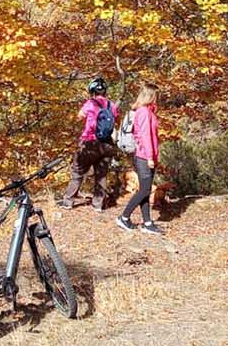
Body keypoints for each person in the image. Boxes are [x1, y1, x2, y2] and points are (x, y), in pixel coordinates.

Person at [58, 78, 119, 210]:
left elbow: (79, 116)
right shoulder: (112, 105)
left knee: (78, 172)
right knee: (101, 175)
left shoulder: (90, 103)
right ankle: (98, 204)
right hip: (107, 144)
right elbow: (116, 120)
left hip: (89, 142)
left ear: (92, 91)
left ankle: (68, 201)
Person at [115, 84, 164, 235]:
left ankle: (147, 223)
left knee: (146, 190)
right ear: (150, 95)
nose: (158, 98)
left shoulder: (147, 111)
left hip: (147, 156)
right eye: (156, 95)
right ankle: (124, 217)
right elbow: (144, 136)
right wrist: (150, 156)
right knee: (144, 190)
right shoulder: (143, 112)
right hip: (144, 156)